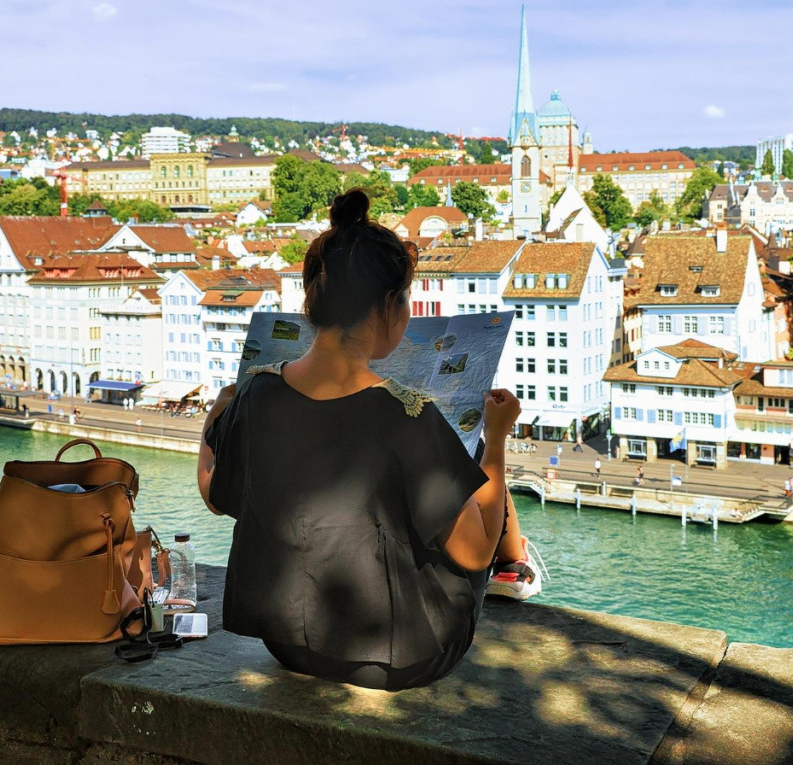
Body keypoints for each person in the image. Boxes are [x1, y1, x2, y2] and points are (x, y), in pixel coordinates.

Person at [197, 189, 541, 691]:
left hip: (287, 642)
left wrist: (215, 415)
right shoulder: (409, 415)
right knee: (474, 501)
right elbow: (471, 553)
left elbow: (213, 492)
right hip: (402, 656)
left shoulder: (256, 395)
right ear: (388, 307)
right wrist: (496, 437)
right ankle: (519, 565)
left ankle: (517, 558)